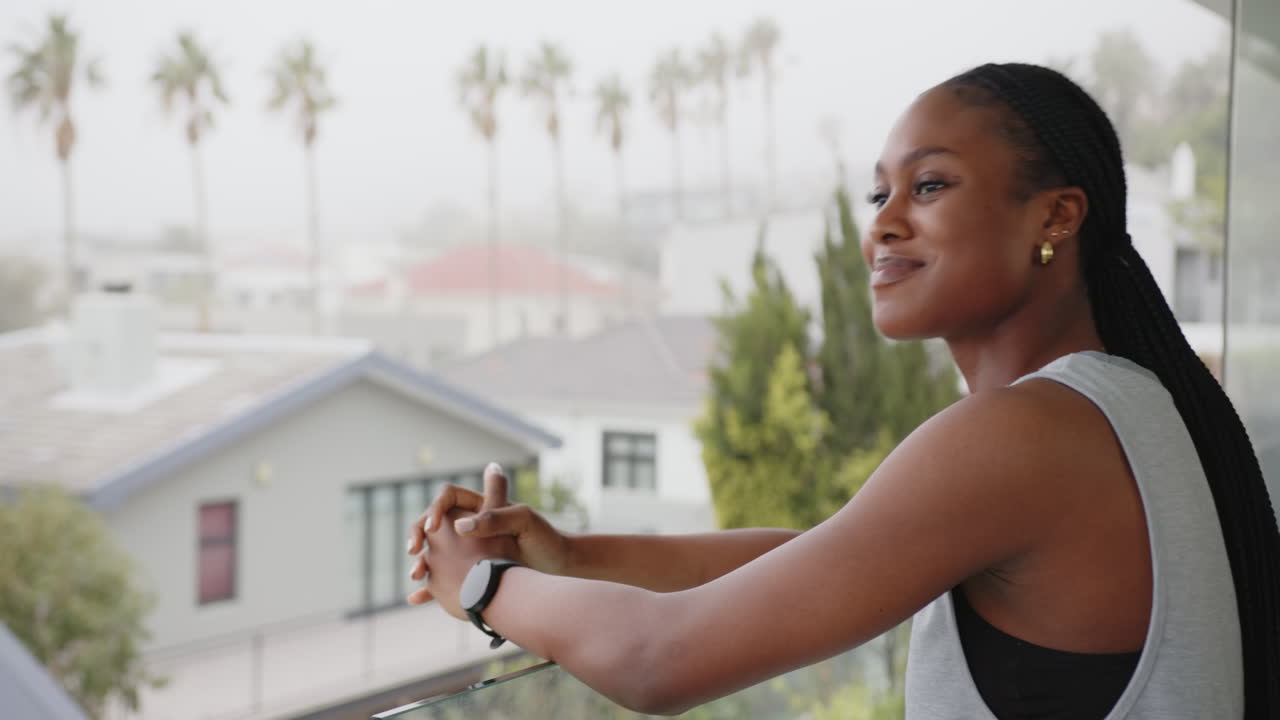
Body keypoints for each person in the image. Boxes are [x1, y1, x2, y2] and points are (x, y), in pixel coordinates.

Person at [405, 63, 1280, 719]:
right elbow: (827, 555)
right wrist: (572, 556)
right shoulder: (1116, 405)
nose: (883, 223)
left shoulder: (1026, 434)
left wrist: (481, 587)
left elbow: (658, 660)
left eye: (929, 185)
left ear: (1054, 215)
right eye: (879, 192)